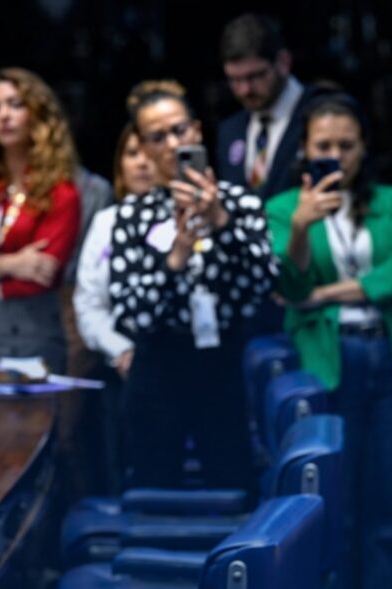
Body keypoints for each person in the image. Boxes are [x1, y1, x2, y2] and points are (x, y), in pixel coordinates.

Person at [267, 94, 392, 589]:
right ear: (304, 152)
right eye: (323, 147)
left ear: (363, 149)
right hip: (328, 364)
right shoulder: (286, 208)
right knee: (334, 515)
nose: (334, 157)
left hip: (391, 359)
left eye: (345, 146)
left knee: (390, 510)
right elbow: (288, 283)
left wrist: (332, 292)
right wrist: (303, 230)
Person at [110, 80, 276, 490]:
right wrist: (175, 260)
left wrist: (222, 223)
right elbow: (129, 313)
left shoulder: (241, 204)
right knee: (153, 488)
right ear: (144, 148)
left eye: (180, 130)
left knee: (233, 485)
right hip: (157, 365)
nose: (172, 143)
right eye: (157, 137)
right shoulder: (133, 215)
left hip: (223, 361)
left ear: (198, 131)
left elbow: (265, 283)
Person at [74, 123, 157, 492]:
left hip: (179, 356)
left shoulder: (193, 216)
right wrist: (120, 349)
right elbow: (88, 301)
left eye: (148, 152)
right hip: (120, 361)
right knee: (120, 466)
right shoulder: (106, 222)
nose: (141, 163)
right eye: (131, 153)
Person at [0, 67, 81, 373]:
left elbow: (43, 273)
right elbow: (23, 271)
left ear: (37, 114)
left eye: (15, 104)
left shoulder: (61, 193)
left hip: (33, 336)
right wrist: (9, 265)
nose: (3, 116)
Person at [216, 13, 321, 200]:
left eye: (254, 77)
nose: (244, 90)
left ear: (283, 62)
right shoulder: (229, 131)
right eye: (234, 80)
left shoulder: (322, 116)